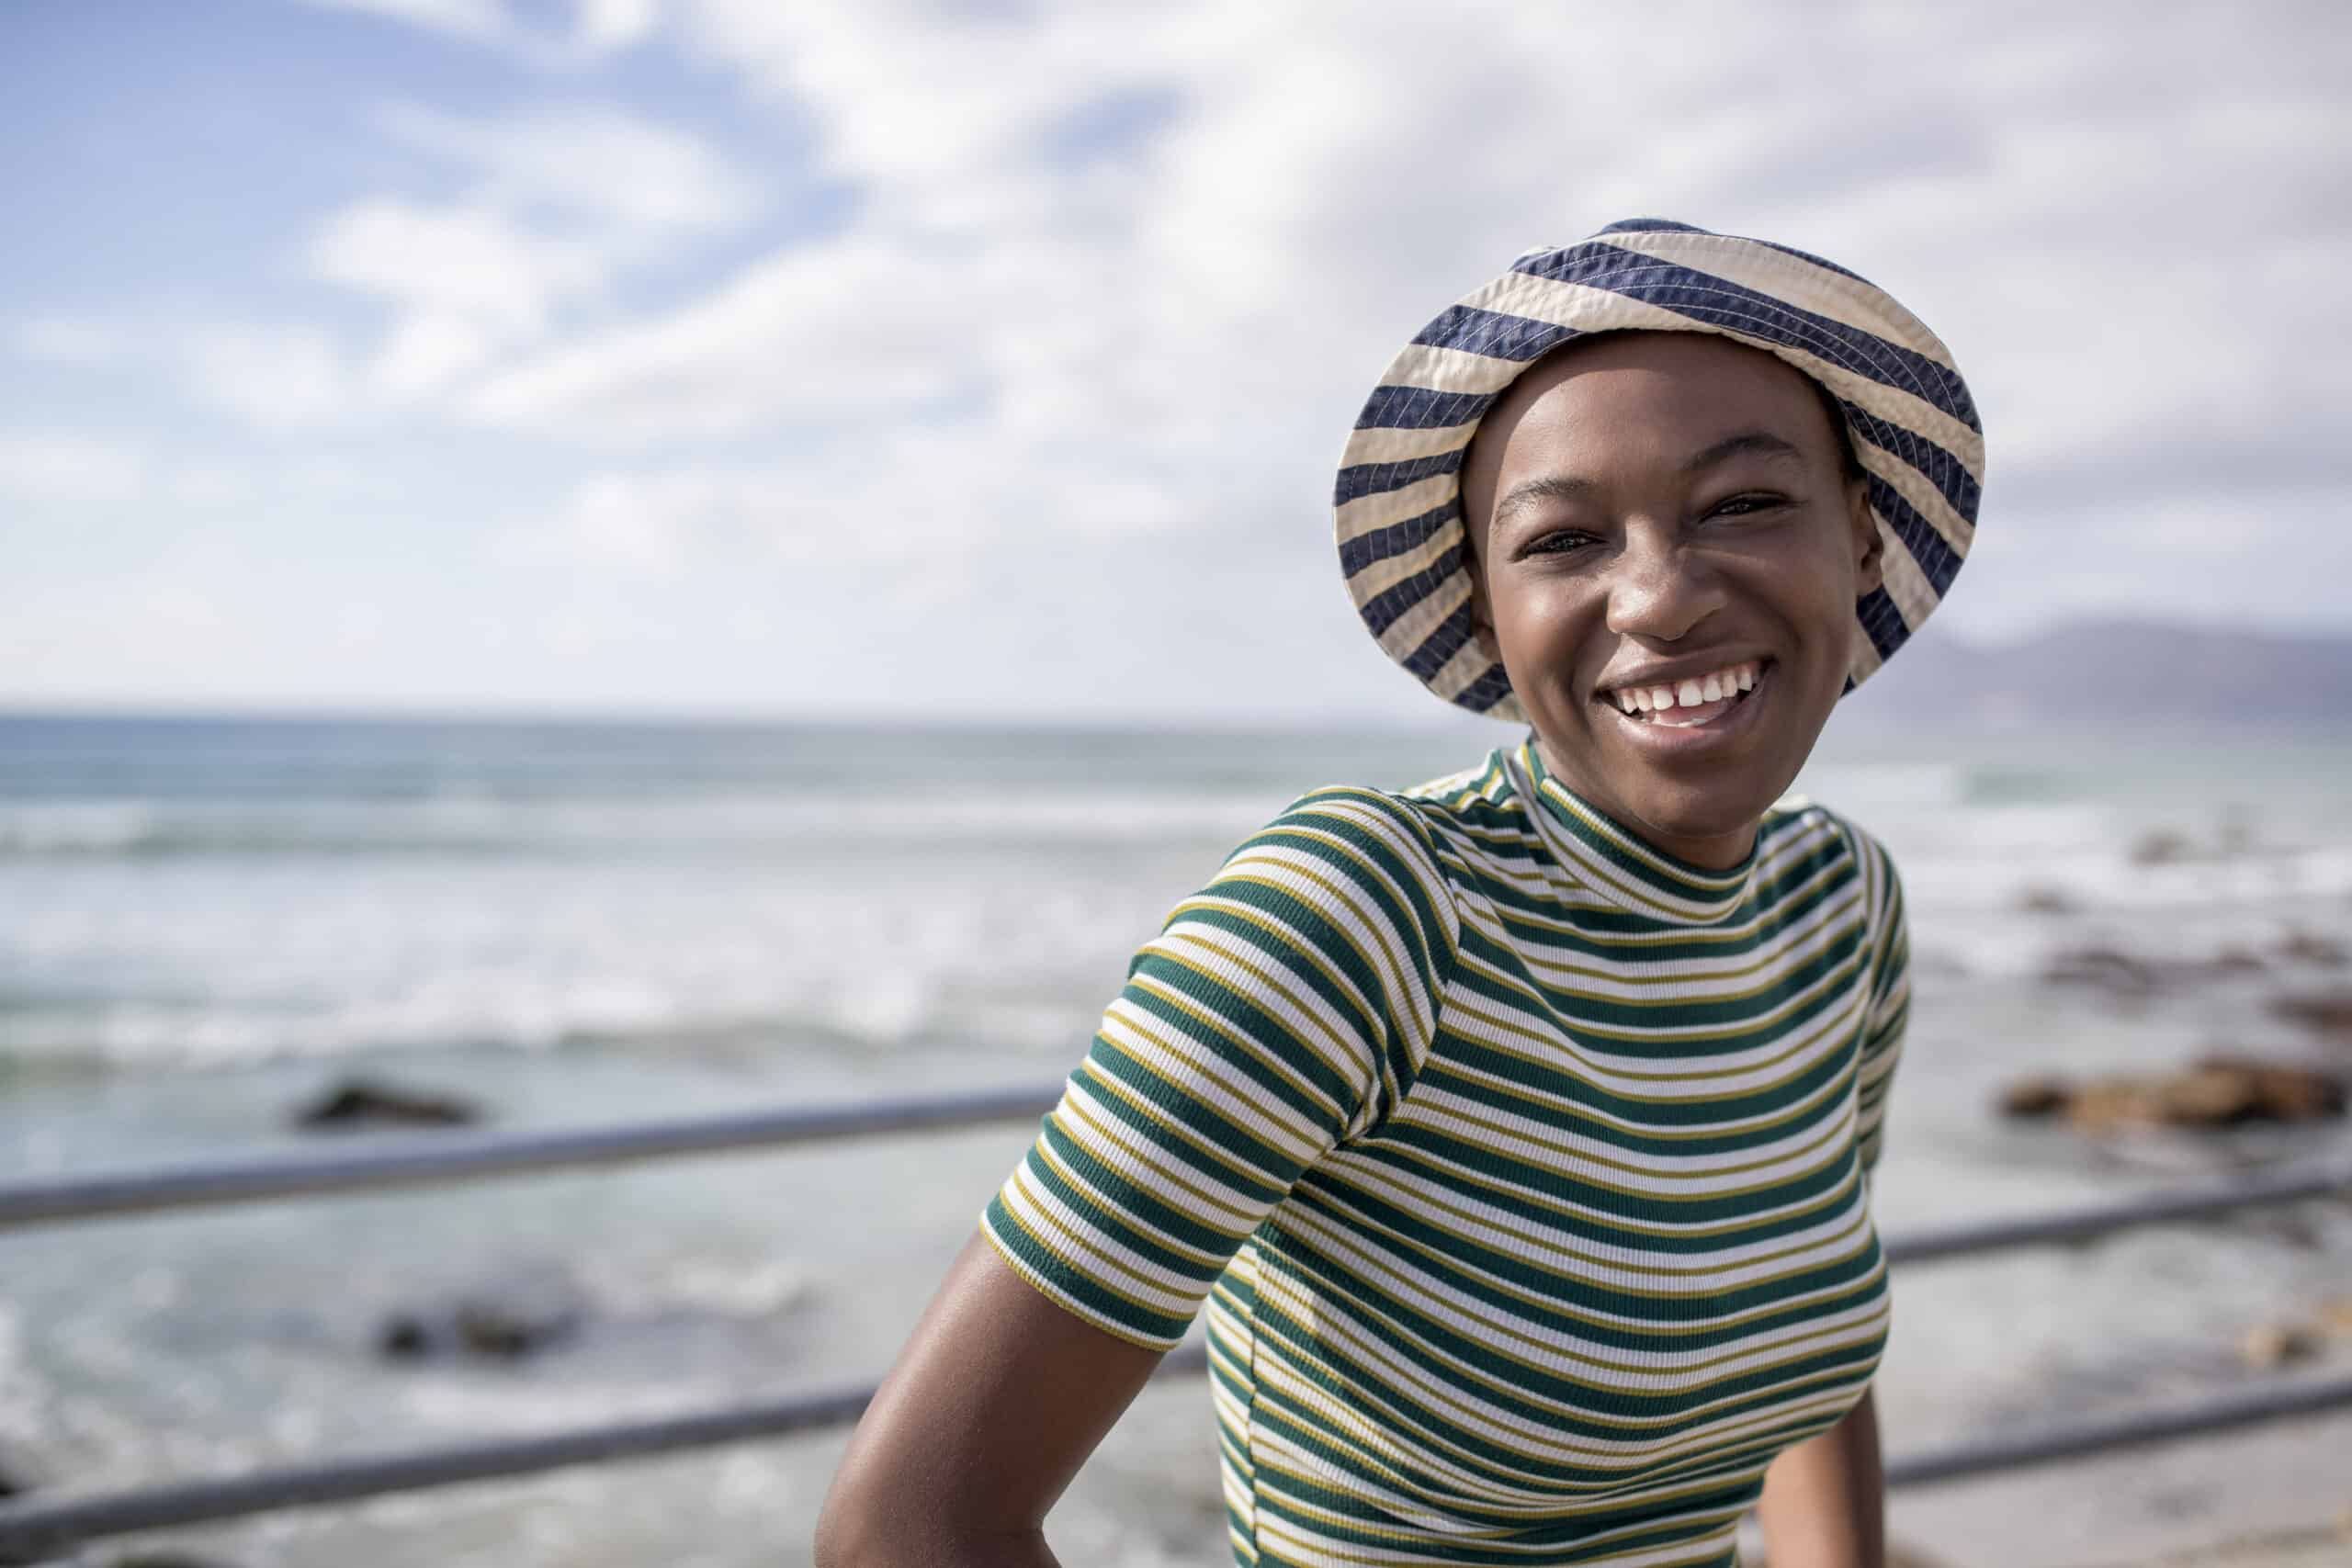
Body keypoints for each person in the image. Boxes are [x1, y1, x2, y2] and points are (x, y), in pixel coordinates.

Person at [814, 218, 1983, 1568]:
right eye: (1564, 540)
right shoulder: (1359, 919)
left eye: (1743, 506)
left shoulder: (1839, 908)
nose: (1659, 598)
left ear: (1863, 541)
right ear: (1489, 609)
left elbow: (1791, 1341)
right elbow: (907, 1526)